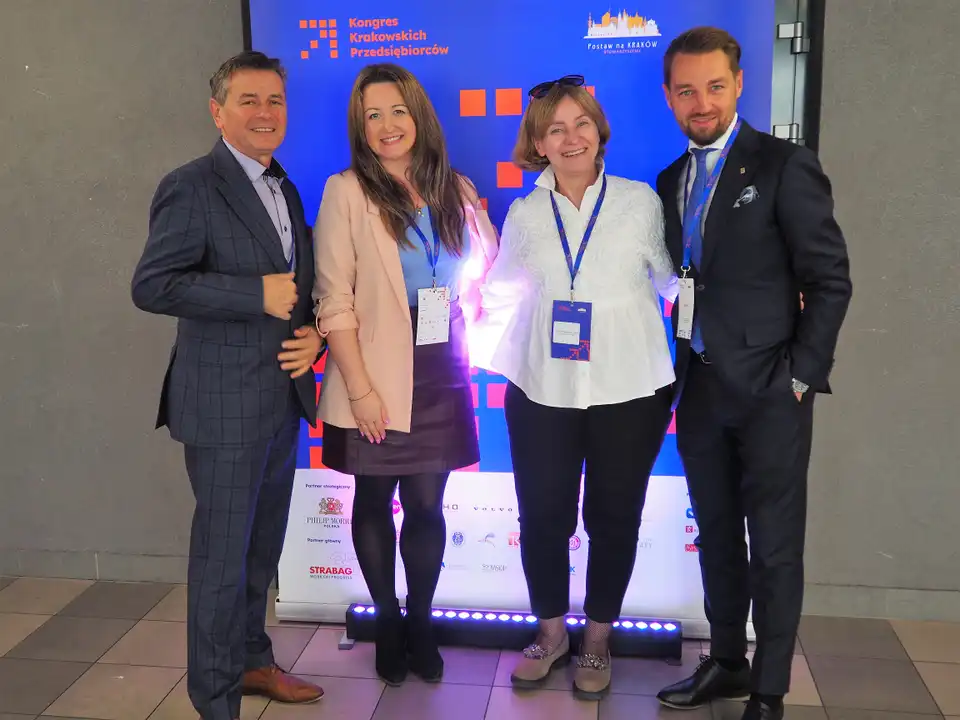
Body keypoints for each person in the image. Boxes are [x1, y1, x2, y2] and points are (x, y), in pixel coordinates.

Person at [653, 28, 852, 720]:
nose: (701, 102)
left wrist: (800, 376)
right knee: (715, 535)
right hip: (700, 387)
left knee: (773, 547)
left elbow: (829, 279)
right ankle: (727, 662)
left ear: (738, 84)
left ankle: (768, 692)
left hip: (772, 391)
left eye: (714, 86)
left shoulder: (784, 165)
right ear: (669, 96)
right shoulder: (671, 180)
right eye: (686, 91)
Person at [131, 51, 325, 720]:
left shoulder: (283, 186)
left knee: (260, 552)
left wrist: (314, 336)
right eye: (249, 100)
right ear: (218, 112)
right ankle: (216, 702)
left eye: (275, 100)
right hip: (221, 410)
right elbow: (154, 285)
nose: (265, 112)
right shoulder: (191, 185)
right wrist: (251, 295)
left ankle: (251, 662)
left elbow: (294, 288)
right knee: (220, 562)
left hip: (281, 401)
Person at [475, 75, 677, 700]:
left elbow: (671, 282)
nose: (570, 138)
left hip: (630, 387)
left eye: (581, 123)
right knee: (543, 516)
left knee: (615, 516)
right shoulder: (526, 212)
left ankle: (597, 637)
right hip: (542, 388)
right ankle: (551, 632)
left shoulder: (639, 202)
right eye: (555, 128)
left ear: (599, 131)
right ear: (537, 143)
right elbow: (501, 287)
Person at [312, 63, 498, 687]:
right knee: (373, 499)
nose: (387, 125)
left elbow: (486, 268)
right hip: (373, 364)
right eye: (373, 115)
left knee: (425, 504)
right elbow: (333, 299)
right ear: (360, 127)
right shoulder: (346, 191)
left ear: (419, 115)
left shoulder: (455, 188)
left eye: (398, 111)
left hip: (443, 361)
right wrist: (360, 389)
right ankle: (387, 621)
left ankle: (420, 620)